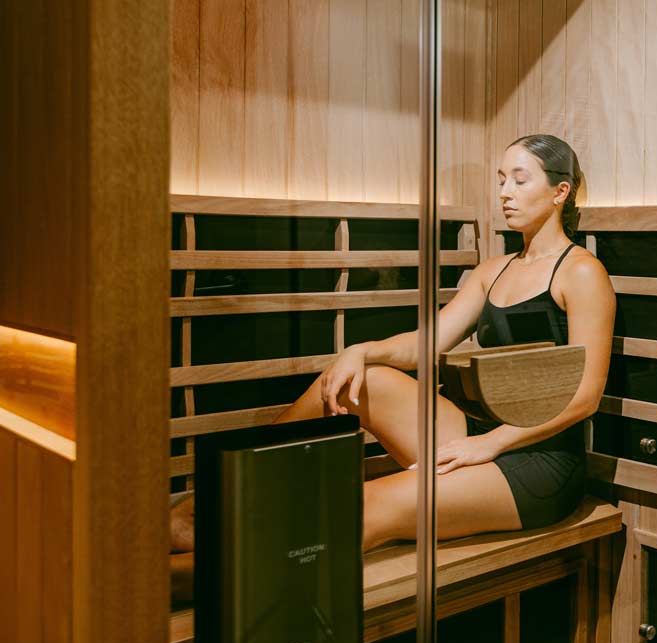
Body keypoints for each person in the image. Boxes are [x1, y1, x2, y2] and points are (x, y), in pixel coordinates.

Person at [170, 134, 615, 589]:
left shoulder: (581, 273)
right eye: (502, 180)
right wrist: (361, 351)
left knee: (371, 502)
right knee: (360, 381)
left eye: (520, 180)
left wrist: (492, 445)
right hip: (478, 430)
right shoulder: (493, 271)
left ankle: (184, 577)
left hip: (539, 460)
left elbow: (585, 396)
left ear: (560, 192)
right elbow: (426, 344)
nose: (505, 192)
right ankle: (207, 505)